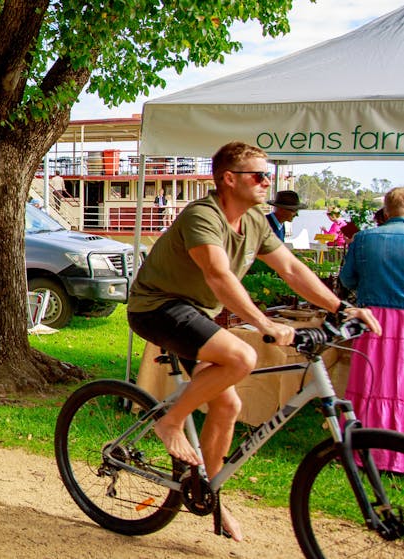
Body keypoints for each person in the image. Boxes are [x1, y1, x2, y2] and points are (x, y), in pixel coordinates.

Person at [127, 141, 381, 542]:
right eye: (259, 175)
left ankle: (210, 493)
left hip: (197, 314)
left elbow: (293, 270)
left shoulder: (256, 223)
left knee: (228, 404)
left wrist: (339, 308)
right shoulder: (202, 216)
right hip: (157, 307)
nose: (267, 182)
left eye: (268, 175)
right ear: (229, 179)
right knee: (242, 355)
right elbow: (217, 275)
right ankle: (171, 420)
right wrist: (263, 322)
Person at [339, 187, 404, 473]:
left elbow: (347, 279)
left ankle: (364, 445)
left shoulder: (364, 238)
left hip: (373, 319)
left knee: (371, 382)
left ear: (386, 211)